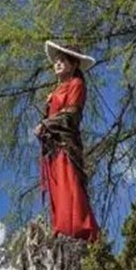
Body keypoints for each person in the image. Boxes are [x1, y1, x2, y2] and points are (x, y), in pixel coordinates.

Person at [35, 41, 101, 242]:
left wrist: (45, 124)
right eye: (57, 60)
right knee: (58, 187)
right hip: (53, 146)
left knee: (68, 184)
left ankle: (79, 229)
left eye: (63, 60)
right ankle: (61, 228)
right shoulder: (55, 91)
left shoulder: (76, 84)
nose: (58, 63)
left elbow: (72, 115)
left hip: (66, 144)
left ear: (73, 65)